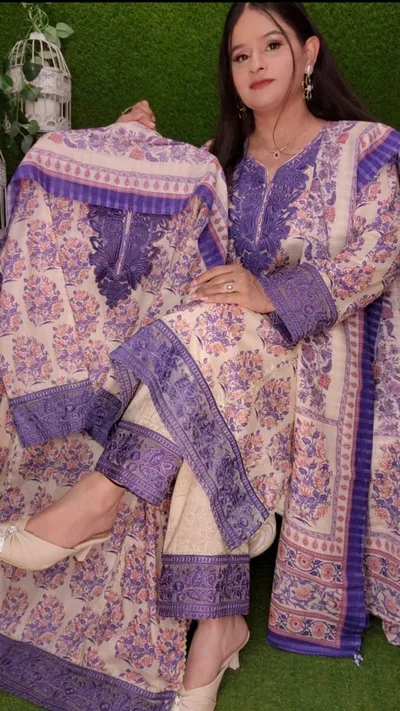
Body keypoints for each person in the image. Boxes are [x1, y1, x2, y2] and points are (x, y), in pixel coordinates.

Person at [1, 2, 399, 710]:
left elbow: (378, 256)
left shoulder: (363, 148)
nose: (255, 65)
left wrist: (266, 293)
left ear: (309, 53)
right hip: (228, 378)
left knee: (213, 339)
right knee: (208, 354)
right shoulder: (220, 168)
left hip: (314, 383)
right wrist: (131, 140)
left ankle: (97, 500)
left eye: (271, 46)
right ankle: (216, 632)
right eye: (241, 56)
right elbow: (171, 243)